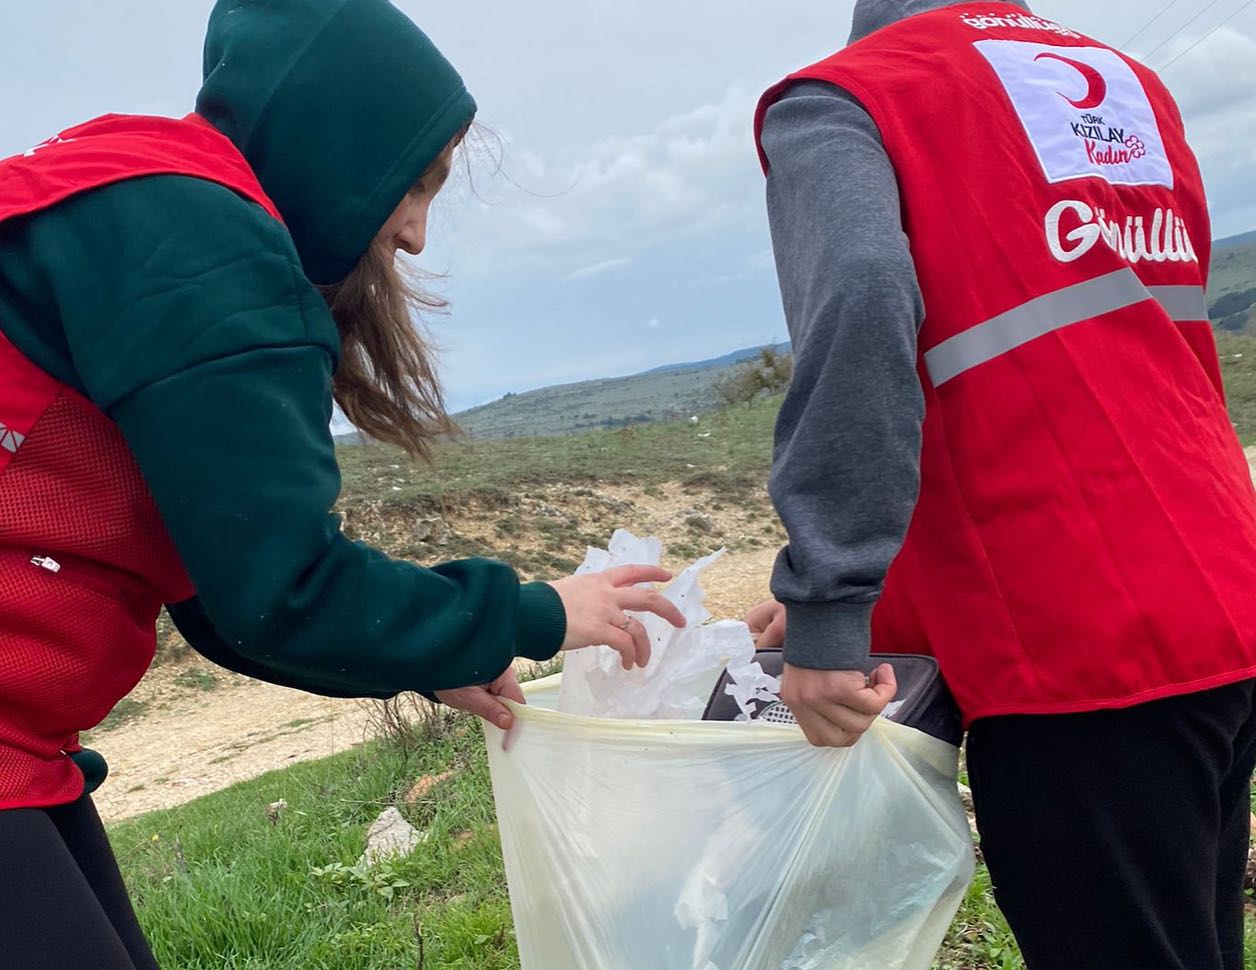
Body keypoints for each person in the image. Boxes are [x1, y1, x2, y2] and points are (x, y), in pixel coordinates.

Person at [0, 1, 685, 967]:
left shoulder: (135, 191)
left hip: (25, 743)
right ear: (336, 141)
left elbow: (221, 592)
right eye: (415, 185)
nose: (412, 235)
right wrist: (532, 613)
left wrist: (426, 650)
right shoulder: (205, 247)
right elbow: (283, 595)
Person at [746, 1, 1256, 967]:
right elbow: (1074, 389)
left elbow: (859, 306)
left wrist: (827, 606)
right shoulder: (1131, 88)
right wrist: (873, 605)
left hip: (1075, 653)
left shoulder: (843, 101)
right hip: (1224, 595)